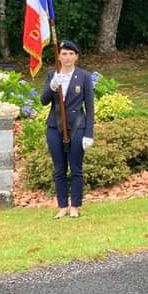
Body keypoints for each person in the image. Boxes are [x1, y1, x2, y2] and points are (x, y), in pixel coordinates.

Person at [41, 40, 95, 218]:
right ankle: (62, 206)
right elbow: (43, 101)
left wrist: (88, 133)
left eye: (71, 54)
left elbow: (89, 107)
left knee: (76, 168)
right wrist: (52, 86)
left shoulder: (83, 76)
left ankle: (75, 206)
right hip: (55, 126)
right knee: (59, 168)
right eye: (64, 54)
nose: (67, 57)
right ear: (59, 56)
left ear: (76, 57)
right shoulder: (52, 74)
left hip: (77, 126)